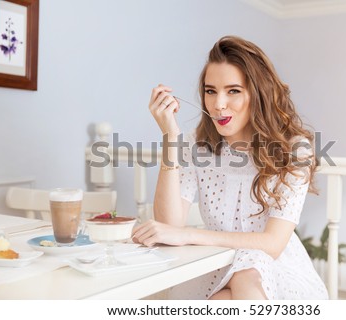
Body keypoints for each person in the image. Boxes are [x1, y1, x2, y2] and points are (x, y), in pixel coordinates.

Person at [132, 35, 328, 300]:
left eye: (233, 91)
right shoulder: (195, 144)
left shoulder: (294, 149)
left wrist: (189, 235)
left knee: (246, 274)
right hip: (216, 265)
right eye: (210, 91)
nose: (218, 104)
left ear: (258, 94)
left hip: (273, 269)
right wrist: (170, 136)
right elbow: (169, 225)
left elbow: (272, 244)